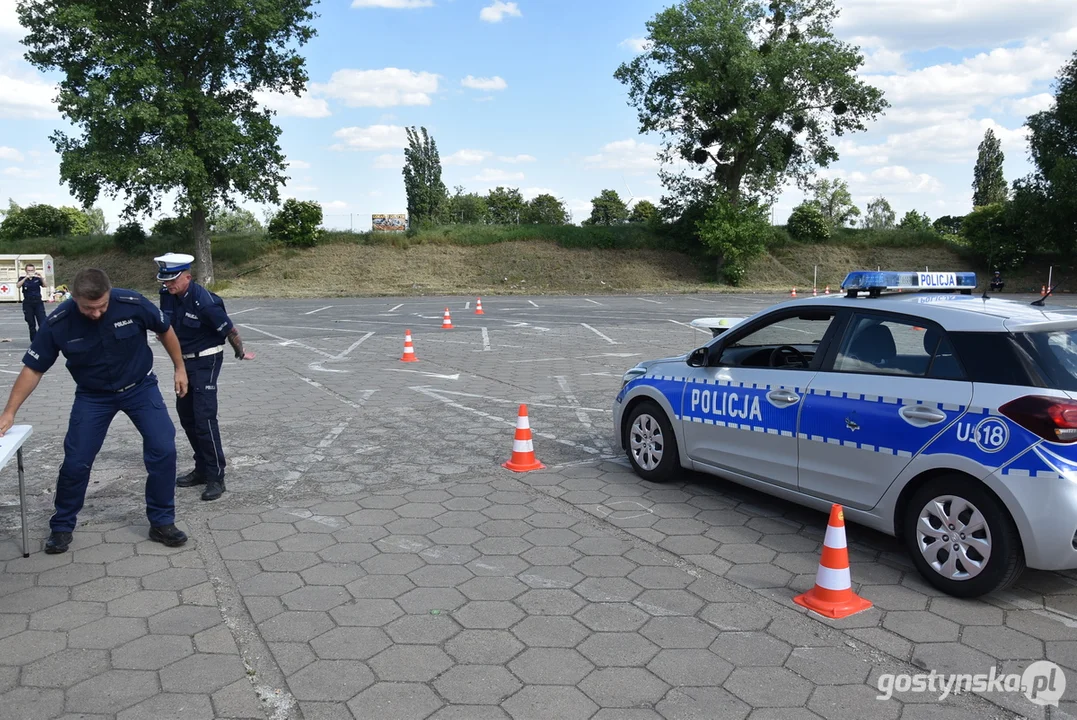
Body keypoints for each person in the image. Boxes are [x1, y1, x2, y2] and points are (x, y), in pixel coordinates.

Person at [0, 268, 190, 553]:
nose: (97, 313)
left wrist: (179, 367)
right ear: (74, 298)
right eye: (89, 308)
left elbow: (165, 330)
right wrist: (9, 411)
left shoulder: (132, 303)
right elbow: (33, 369)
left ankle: (162, 521)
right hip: (93, 397)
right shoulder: (59, 322)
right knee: (77, 461)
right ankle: (62, 525)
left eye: (102, 305)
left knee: (163, 448)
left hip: (140, 388)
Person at [155, 253, 254, 502]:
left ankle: (215, 476)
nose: (168, 285)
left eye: (173, 280)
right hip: (183, 362)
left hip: (206, 360)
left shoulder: (206, 302)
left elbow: (230, 330)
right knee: (187, 416)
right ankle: (200, 469)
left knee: (204, 418)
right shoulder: (167, 295)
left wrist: (240, 352)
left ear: (188, 276)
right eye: (165, 281)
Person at [16, 263, 47, 342]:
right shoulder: (22, 278)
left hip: (38, 302)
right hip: (28, 302)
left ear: (34, 270)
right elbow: (18, 285)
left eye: (32, 270)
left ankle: (43, 340)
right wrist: (25, 278)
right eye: (29, 270)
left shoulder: (37, 278)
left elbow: (45, 285)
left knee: (42, 322)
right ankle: (34, 341)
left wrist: (42, 278)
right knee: (31, 323)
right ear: (26, 271)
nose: (30, 272)